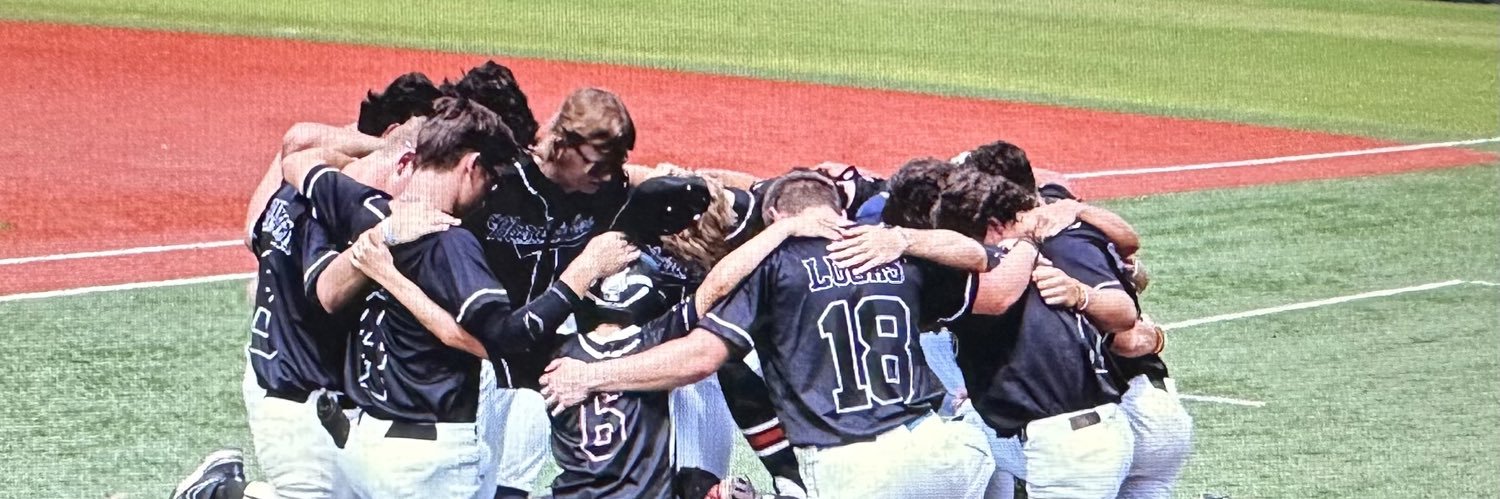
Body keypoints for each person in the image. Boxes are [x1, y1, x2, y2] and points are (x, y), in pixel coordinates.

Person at [539, 170, 1000, 499]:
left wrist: (593, 376)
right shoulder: (887, 247)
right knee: (980, 443)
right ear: (838, 207)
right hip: (939, 454)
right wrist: (906, 239)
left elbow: (701, 358)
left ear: (776, 215)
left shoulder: (773, 265)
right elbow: (986, 267)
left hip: (851, 473)